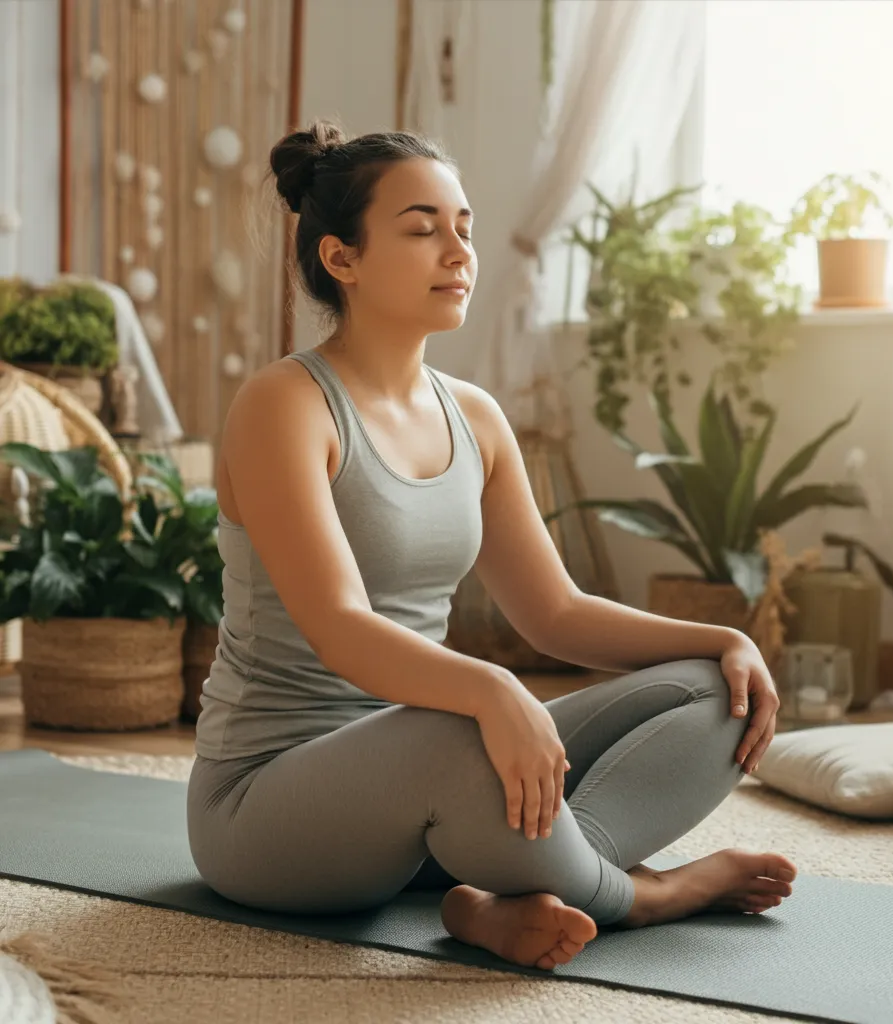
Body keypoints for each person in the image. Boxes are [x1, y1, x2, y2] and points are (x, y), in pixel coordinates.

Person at [186, 121, 798, 973]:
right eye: (421, 227)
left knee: (712, 694)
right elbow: (338, 625)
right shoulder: (284, 405)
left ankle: (492, 894)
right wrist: (491, 689)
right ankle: (644, 892)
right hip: (265, 806)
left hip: (434, 779)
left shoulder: (474, 416)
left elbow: (556, 614)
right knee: (465, 732)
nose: (458, 250)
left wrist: (724, 640)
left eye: (464, 227)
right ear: (341, 258)